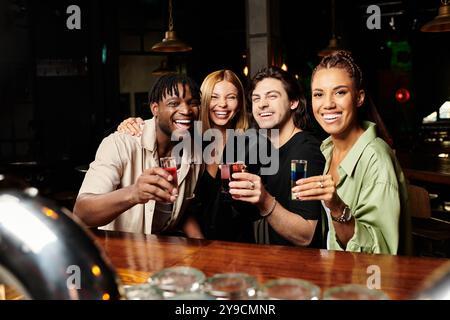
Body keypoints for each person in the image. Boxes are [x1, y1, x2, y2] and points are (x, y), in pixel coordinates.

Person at [117, 70, 265, 242]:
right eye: (214, 97)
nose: (222, 104)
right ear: (202, 102)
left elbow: (256, 211)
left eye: (231, 97)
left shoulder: (252, 143)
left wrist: (247, 191)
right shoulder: (186, 139)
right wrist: (132, 123)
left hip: (238, 243)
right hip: (191, 242)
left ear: (239, 104)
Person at [292, 51, 411, 255]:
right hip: (337, 275)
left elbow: (381, 255)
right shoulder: (327, 149)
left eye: (340, 92)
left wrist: (337, 207)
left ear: (359, 98)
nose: (328, 104)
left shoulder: (376, 158)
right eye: (319, 94)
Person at [73, 74, 203, 236]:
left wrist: (201, 248)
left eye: (193, 103)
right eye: (174, 103)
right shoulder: (120, 143)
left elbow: (183, 211)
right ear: (155, 109)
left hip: (165, 250)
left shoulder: (195, 152)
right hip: (121, 253)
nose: (186, 110)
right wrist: (134, 193)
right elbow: (81, 213)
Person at [229, 67, 325, 247]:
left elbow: (306, 234)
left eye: (272, 96)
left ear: (293, 102)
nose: (262, 104)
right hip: (279, 263)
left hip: (306, 268)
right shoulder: (268, 150)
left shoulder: (303, 154)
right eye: (256, 98)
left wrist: (264, 200)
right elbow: (254, 213)